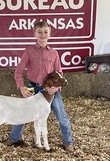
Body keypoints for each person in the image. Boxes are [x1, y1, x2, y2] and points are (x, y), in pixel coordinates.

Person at [5, 21, 74, 152]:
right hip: (34, 88)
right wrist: (21, 87)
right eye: (40, 32)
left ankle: (68, 142)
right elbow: (19, 71)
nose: (43, 35)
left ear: (50, 34)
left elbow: (59, 73)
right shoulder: (29, 51)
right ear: (34, 33)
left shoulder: (54, 53)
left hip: (50, 90)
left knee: (61, 114)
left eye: (46, 32)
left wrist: (56, 88)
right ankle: (14, 138)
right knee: (22, 113)